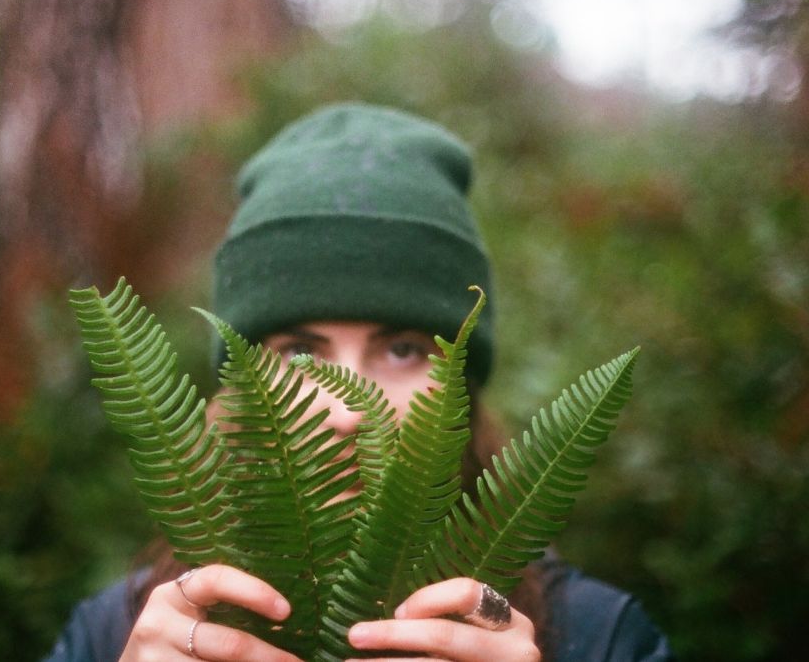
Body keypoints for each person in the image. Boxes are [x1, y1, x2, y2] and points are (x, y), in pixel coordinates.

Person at [44, 103, 674, 662]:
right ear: (235, 387)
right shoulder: (118, 637)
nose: (346, 411)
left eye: (402, 349)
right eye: (296, 352)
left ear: (463, 388)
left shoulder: (601, 638)